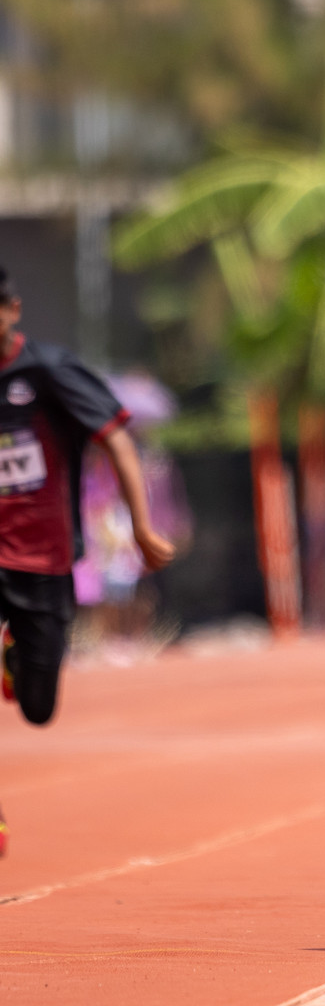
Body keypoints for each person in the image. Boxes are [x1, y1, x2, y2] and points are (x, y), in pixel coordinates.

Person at [0, 266, 176, 854]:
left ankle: (14, 662)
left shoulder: (48, 372)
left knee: (39, 707)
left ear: (13, 309)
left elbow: (116, 439)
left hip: (44, 556)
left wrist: (143, 526)